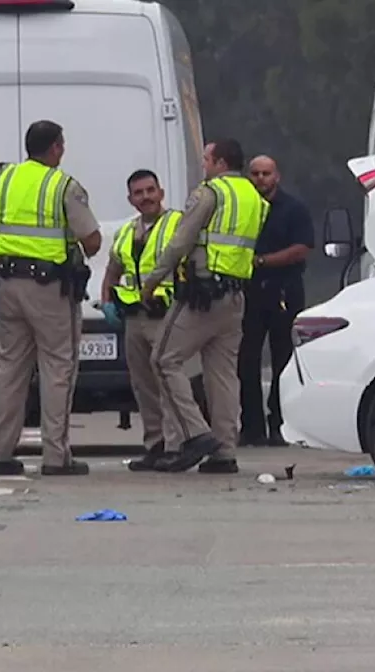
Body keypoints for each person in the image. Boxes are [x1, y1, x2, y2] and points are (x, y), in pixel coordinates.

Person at [139, 139, 269, 474]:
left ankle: (195, 433)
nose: (204, 165)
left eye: (207, 159)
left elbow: (181, 240)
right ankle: (225, 452)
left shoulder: (211, 193)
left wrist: (153, 280)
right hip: (236, 295)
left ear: (221, 163)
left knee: (163, 358)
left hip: (203, 294)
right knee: (223, 375)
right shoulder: (254, 198)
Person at [0, 120, 102, 477]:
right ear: (54, 148)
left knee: (11, 369)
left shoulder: (2, 182)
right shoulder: (61, 184)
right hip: (47, 288)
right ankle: (56, 456)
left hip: (5, 284)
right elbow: (92, 240)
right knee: (58, 367)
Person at [98, 169, 182, 472]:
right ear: (130, 199)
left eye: (150, 190)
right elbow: (112, 270)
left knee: (169, 383)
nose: (145, 197)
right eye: (138, 193)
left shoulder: (177, 224)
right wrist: (107, 302)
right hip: (134, 318)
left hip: (167, 316)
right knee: (143, 385)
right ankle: (155, 446)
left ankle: (175, 446)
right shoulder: (127, 232)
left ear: (160, 192)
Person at [239, 155, 313, 446]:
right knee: (246, 360)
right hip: (249, 291)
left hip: (284, 289)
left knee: (283, 358)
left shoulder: (294, 209)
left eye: (266, 173)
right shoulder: (244, 208)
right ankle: (251, 426)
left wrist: (262, 261)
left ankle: (280, 424)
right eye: (255, 173)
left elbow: (302, 248)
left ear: (277, 176)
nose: (260, 179)